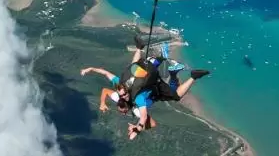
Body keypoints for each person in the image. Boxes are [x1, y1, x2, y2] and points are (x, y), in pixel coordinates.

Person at [80, 37, 210, 140]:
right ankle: (141, 49)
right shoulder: (121, 89)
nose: (124, 113)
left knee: (176, 96)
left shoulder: (138, 101)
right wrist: (90, 70)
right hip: (142, 72)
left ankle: (193, 76)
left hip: (155, 88)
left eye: (124, 111)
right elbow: (105, 82)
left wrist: (137, 129)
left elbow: (148, 121)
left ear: (126, 103)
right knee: (133, 66)